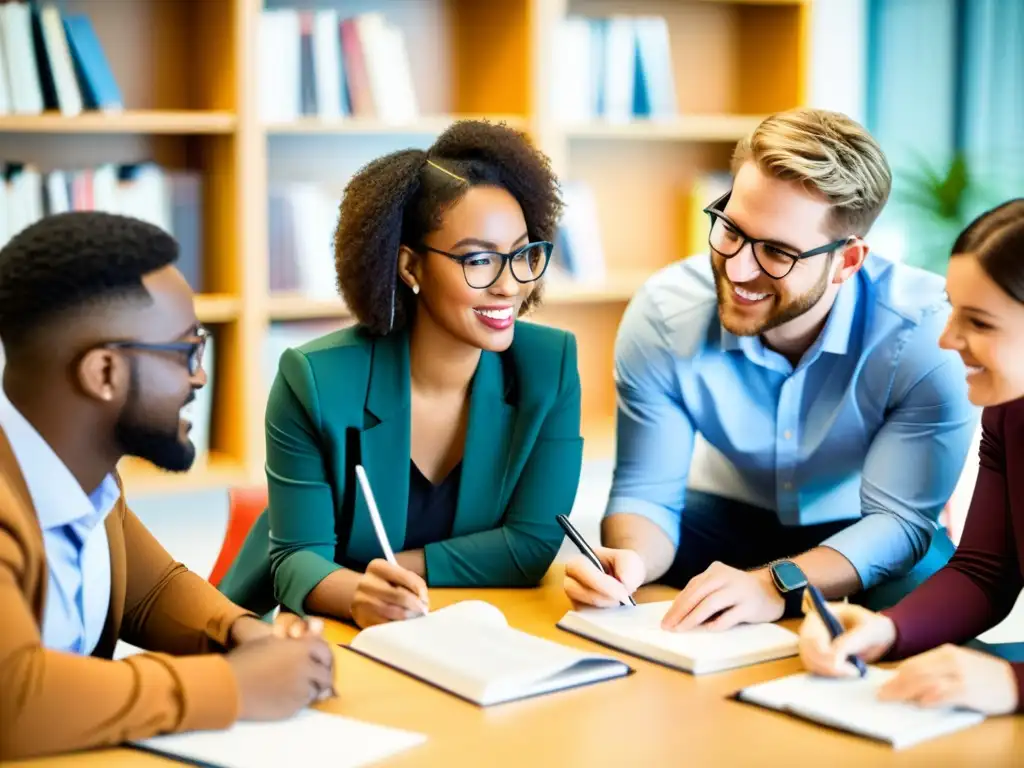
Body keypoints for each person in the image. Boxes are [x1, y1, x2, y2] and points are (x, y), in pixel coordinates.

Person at [563, 107, 978, 630]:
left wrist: (774, 584)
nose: (737, 269)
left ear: (847, 262)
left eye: (777, 252)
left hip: (860, 522)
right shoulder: (666, 314)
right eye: (731, 229)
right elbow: (647, 491)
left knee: (932, 602)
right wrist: (631, 564)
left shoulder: (926, 335)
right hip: (722, 514)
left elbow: (897, 522)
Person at [219, 120, 582, 627]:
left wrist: (382, 572)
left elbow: (530, 546)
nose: (509, 285)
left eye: (522, 254)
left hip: (468, 629)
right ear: (410, 267)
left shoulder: (550, 367)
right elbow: (297, 560)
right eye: (478, 260)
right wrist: (357, 594)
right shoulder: (314, 381)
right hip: (329, 634)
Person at [0, 212, 335, 761]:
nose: (200, 376)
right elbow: (15, 700)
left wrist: (243, 635)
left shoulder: (87, 479)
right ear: (104, 373)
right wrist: (233, 688)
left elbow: (152, 592)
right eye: (186, 353)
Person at [799, 199, 1024, 715]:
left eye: (981, 323)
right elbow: (985, 572)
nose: (947, 340)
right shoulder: (1008, 415)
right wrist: (888, 628)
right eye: (952, 309)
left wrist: (1014, 684)